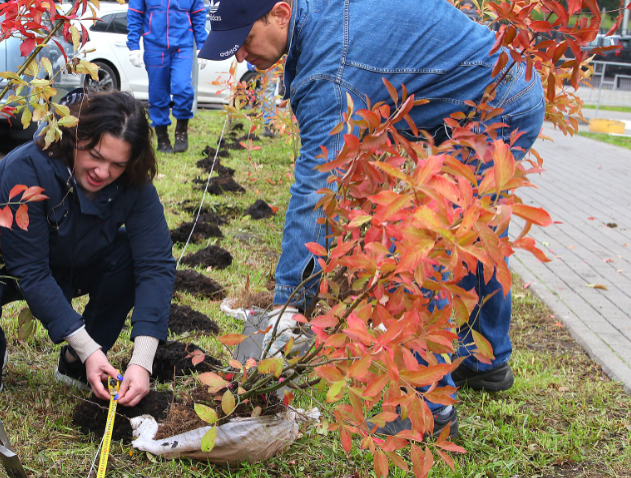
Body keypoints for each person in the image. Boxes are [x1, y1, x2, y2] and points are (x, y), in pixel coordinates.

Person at [199, 0, 545, 438]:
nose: (242, 56)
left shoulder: (330, 68)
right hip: (484, 89)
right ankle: (488, 361)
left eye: (245, 40)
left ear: (281, 14)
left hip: (494, 108)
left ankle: (429, 410)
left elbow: (314, 191)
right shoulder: (320, 18)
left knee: (426, 242)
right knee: (475, 234)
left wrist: (288, 306)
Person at [0, 90, 175, 407]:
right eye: (95, 155)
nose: (102, 172)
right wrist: (90, 348)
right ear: (75, 135)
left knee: (129, 256)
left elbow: (155, 265)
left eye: (117, 164)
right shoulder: (31, 166)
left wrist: (142, 360)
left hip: (67, 260)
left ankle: (76, 362)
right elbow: (31, 270)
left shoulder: (134, 184)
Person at [126, 0, 208, 153]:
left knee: (182, 87)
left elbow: (198, 14)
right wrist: (134, 45)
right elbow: (135, 14)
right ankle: (162, 137)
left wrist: (202, 44)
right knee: (158, 93)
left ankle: (181, 131)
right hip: (154, 46)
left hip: (182, 46)